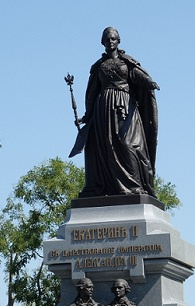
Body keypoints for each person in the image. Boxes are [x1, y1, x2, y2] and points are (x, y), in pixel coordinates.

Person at [69, 26, 160, 198]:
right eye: (107, 39)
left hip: (125, 107)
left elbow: (136, 75)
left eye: (113, 39)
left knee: (129, 145)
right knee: (104, 146)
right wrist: (87, 116)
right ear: (102, 42)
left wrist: (149, 82)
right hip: (103, 108)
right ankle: (108, 187)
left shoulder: (127, 62)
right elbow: (92, 93)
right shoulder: (99, 66)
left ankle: (134, 186)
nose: (110, 41)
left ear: (118, 41)